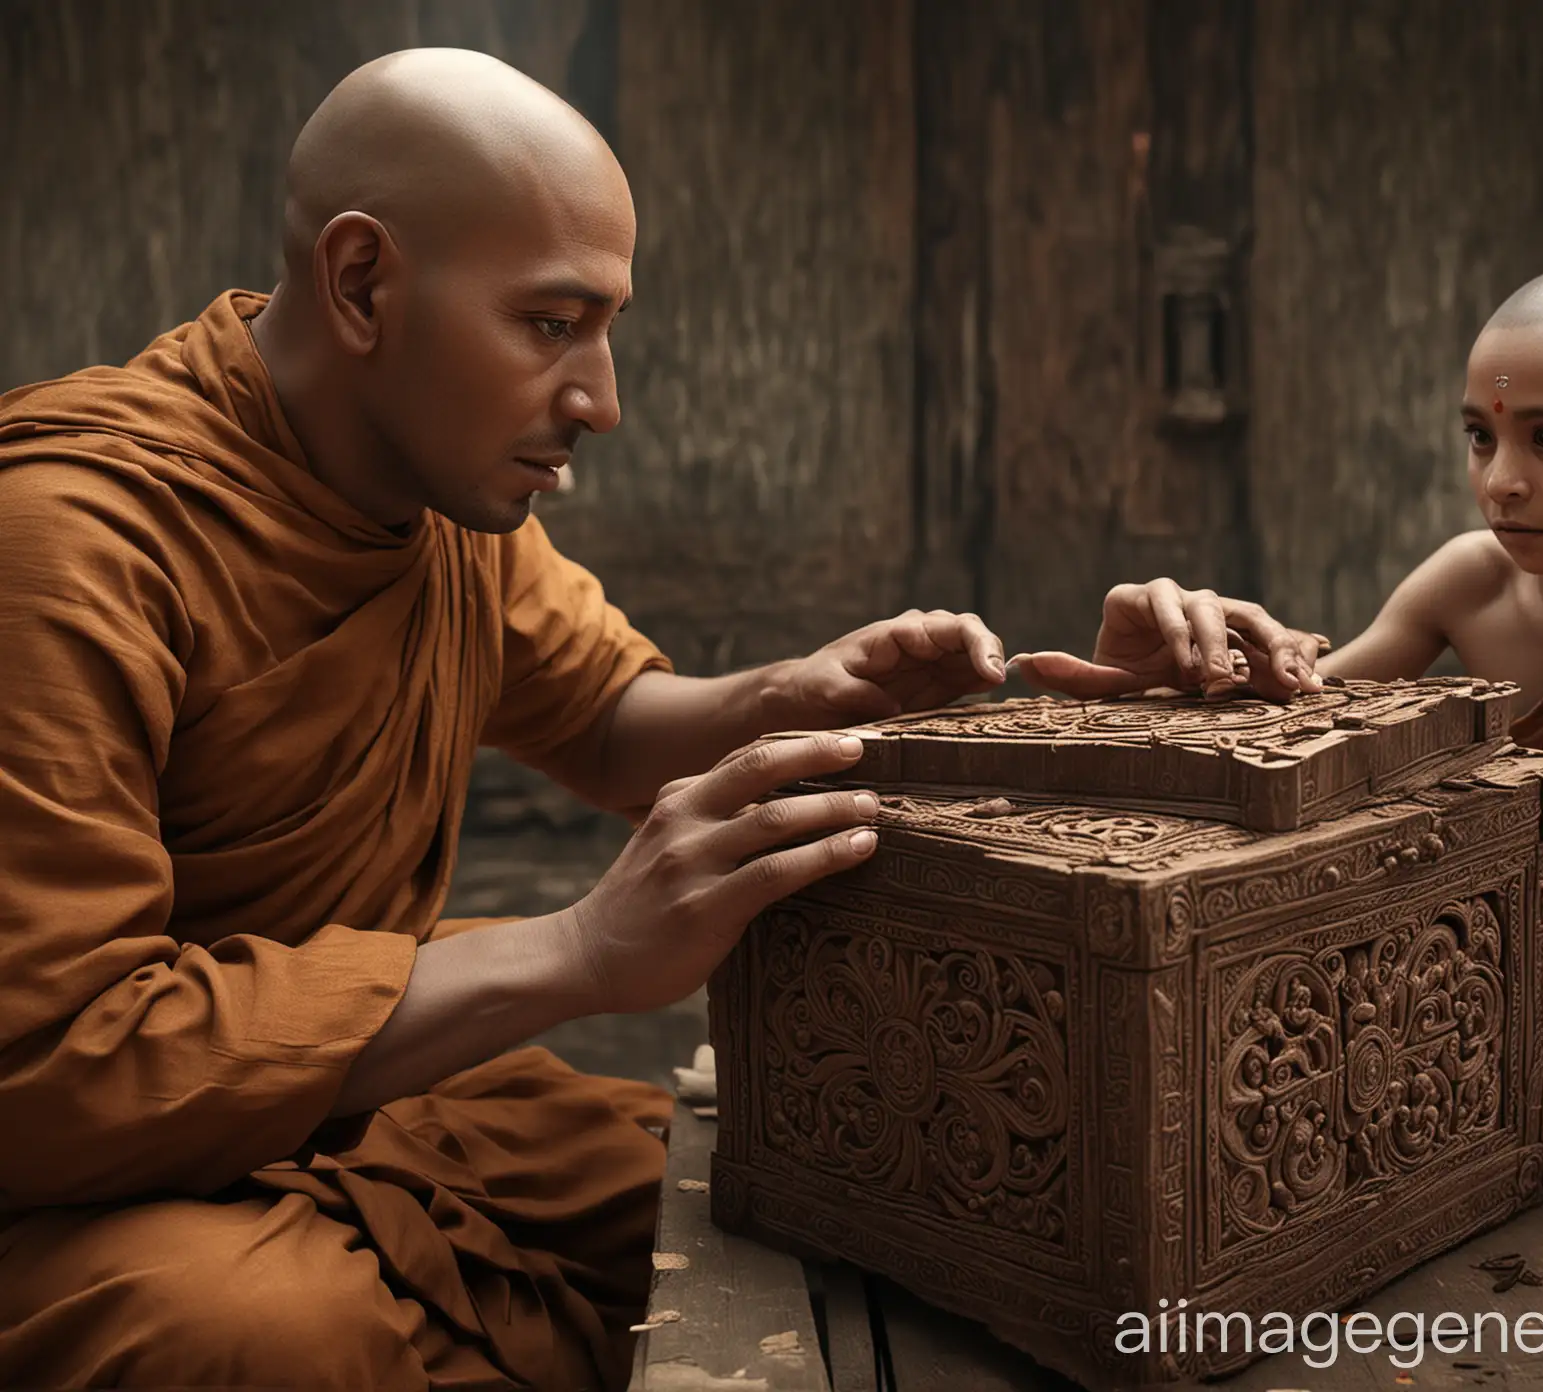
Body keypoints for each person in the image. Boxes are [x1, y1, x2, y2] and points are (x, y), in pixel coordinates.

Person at [0, 49, 1009, 1391]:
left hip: (343, 1102)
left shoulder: (434, 496)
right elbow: (48, 1067)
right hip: (82, 1171)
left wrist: (793, 696)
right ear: (364, 284)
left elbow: (602, 723)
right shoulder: (67, 542)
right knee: (269, 1341)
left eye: (607, 329)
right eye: (551, 324)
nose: (602, 397)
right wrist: (585, 950)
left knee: (747, 1201)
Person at [1017, 257, 1543, 1213]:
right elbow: (1300, 711)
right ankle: (1473, 1108)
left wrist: (1492, 863)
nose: (1502, 483)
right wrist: (1184, 675)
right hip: (1531, 976)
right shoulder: (1469, 581)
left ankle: (1475, 1125)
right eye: (1478, 436)